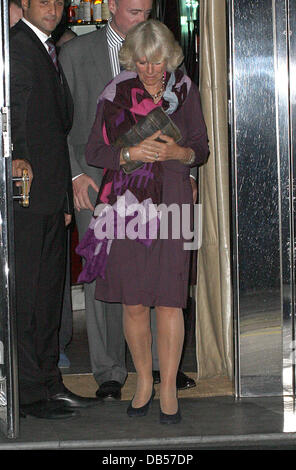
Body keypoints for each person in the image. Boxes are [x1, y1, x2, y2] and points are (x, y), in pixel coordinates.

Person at [59, 0, 196, 401]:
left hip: (162, 189)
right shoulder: (75, 53)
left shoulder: (164, 55)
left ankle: (156, 368)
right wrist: (74, 173)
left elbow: (189, 130)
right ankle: (108, 372)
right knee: (106, 277)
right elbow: (59, 123)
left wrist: (186, 172)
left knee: (159, 280)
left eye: (147, 11)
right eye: (135, 11)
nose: (143, 18)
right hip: (95, 180)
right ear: (114, 6)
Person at [10, 0, 100, 419]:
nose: (53, 7)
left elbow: (54, 127)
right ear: (23, 4)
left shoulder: (47, 48)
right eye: (42, 0)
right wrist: (19, 168)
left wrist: (63, 198)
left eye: (57, 0)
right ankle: (29, 392)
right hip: (26, 199)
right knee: (28, 299)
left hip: (48, 198)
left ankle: (47, 383)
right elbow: (15, 124)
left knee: (48, 297)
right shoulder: (15, 47)